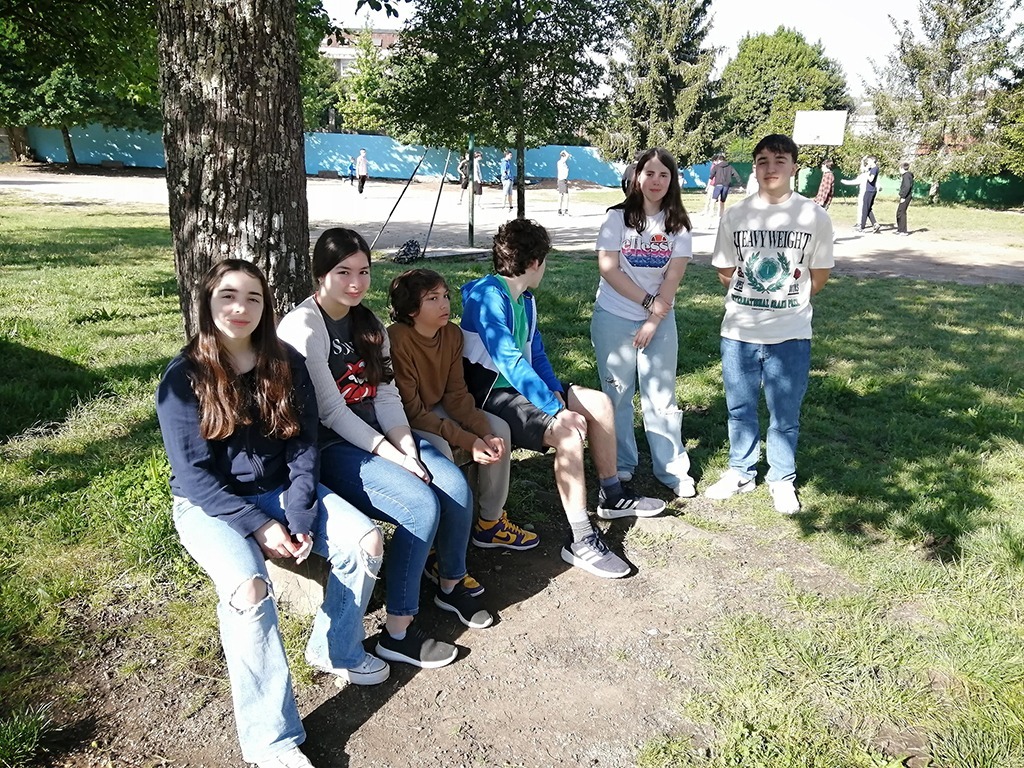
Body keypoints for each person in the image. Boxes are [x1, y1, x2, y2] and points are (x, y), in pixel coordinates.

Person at [156, 259, 387, 768]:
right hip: (209, 504)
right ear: (207, 303)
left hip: (281, 488)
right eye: (228, 296)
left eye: (253, 298)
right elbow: (194, 478)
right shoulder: (182, 378)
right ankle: (271, 740)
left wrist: (298, 513)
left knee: (366, 542)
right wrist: (259, 525)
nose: (240, 308)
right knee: (249, 590)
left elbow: (304, 445)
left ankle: (336, 649)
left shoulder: (285, 362)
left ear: (266, 306)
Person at [278, 228, 492, 672]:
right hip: (331, 446)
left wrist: (408, 446)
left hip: (383, 434)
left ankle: (450, 583)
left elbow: (387, 394)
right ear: (320, 274)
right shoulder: (303, 327)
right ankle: (398, 631)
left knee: (453, 486)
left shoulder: (369, 324)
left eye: (363, 272)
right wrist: (397, 459)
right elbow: (333, 413)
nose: (356, 283)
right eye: (343, 272)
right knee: (419, 504)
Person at [460, 219, 666, 580]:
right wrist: (557, 410)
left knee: (599, 404)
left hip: (524, 388)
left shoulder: (525, 299)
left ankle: (612, 495)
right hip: (493, 394)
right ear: (535, 262)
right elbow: (509, 360)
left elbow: (535, 353)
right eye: (545, 261)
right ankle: (581, 540)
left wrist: (555, 390)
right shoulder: (487, 297)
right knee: (568, 436)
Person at [706, 134, 834, 515]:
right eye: (762, 161)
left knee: (785, 414)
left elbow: (819, 275)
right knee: (739, 407)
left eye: (780, 160)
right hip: (739, 331)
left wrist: (784, 299)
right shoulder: (736, 215)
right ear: (754, 167)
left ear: (794, 166)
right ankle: (741, 471)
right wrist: (755, 297)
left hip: (790, 332)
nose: (771, 168)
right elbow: (725, 270)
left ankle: (781, 478)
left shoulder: (814, 217)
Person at [387, 268, 538, 552]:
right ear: (411, 309)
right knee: (440, 451)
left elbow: (457, 395)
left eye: (445, 296)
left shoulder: (452, 334)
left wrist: (483, 433)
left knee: (499, 429)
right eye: (432, 298)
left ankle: (490, 522)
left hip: (437, 406)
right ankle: (436, 543)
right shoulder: (397, 339)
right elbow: (412, 410)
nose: (444, 304)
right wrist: (469, 441)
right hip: (405, 418)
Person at [592, 147, 697, 499]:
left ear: (672, 181)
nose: (656, 181)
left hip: (660, 319)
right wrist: (648, 303)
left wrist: (653, 319)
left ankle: (672, 469)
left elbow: (672, 277)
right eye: (649, 173)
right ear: (637, 177)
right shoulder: (616, 218)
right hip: (614, 316)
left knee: (661, 395)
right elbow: (609, 269)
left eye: (664, 175)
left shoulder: (678, 224)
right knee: (617, 392)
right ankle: (622, 461)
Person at [709, 153, 742, 220]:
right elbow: (736, 175)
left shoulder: (716, 167)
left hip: (718, 185)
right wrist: (740, 184)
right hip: (726, 185)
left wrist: (709, 185)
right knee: (722, 201)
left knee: (713, 200)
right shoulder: (730, 167)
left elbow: (711, 176)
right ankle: (721, 215)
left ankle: (711, 213)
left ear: (719, 160)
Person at [896, 161, 914, 235]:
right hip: (906, 196)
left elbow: (907, 186)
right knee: (899, 212)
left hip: (905, 196)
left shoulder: (906, 176)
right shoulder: (907, 175)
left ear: (901, 168)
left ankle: (903, 231)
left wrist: (903, 196)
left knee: (902, 213)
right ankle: (900, 229)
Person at [556, 150, 571, 215]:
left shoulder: (563, 163)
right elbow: (568, 155)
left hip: (563, 180)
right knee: (566, 195)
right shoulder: (561, 162)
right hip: (562, 180)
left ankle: (560, 210)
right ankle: (565, 210)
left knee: (561, 195)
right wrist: (564, 151)